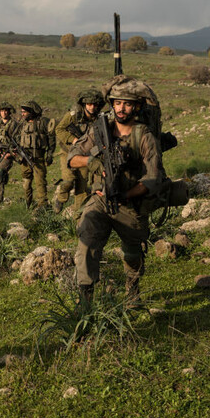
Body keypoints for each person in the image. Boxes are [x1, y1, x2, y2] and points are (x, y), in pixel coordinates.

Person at [67, 77, 163, 307]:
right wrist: (91, 161)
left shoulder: (144, 136)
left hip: (130, 201)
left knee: (133, 253)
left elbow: (153, 179)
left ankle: (132, 290)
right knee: (86, 241)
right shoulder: (100, 130)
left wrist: (126, 195)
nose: (121, 108)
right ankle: (85, 302)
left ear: (136, 107)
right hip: (101, 199)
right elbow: (72, 158)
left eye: (127, 104)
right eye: (117, 103)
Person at [53, 88, 104, 215]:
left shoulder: (99, 118)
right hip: (68, 152)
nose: (92, 107)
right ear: (84, 104)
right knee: (68, 181)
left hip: (85, 154)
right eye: (89, 104)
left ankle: (78, 216)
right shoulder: (74, 115)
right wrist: (73, 140)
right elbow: (59, 129)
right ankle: (61, 198)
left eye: (95, 104)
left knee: (82, 186)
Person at [15, 100, 56, 209]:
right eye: (22, 112)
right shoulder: (22, 125)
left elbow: (51, 139)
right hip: (24, 159)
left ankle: (43, 205)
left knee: (40, 182)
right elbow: (16, 139)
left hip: (38, 158)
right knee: (26, 183)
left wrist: (50, 154)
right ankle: (27, 204)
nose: (22, 114)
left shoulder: (42, 122)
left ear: (31, 112)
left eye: (25, 112)